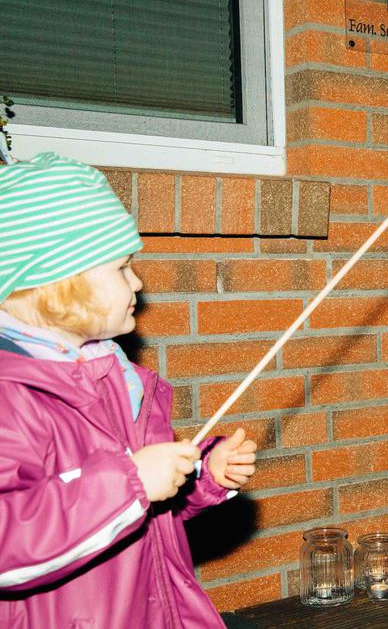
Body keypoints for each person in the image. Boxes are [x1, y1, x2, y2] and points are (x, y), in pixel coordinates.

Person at [0, 153, 257, 627]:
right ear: (55, 283)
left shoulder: (119, 378)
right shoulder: (10, 396)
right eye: (121, 268)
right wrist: (131, 482)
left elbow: (150, 504)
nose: (137, 282)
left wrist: (202, 473)